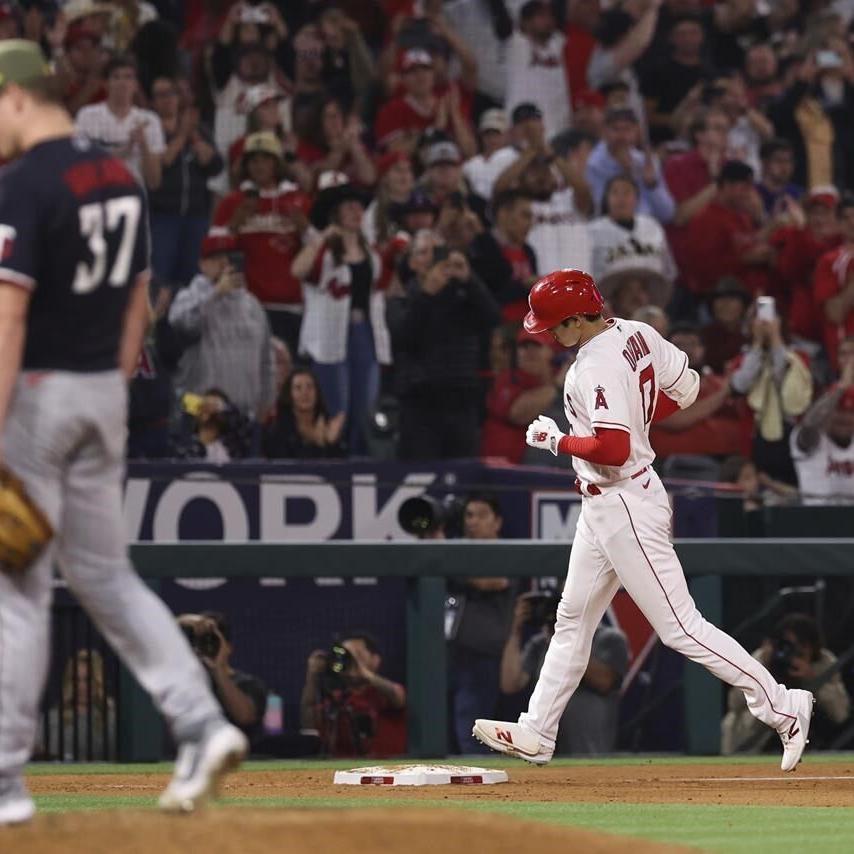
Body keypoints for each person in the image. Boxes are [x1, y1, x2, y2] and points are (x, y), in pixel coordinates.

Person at [0, 41, 245, 826]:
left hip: (35, 400)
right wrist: (106, 385)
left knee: (17, 589)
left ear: (14, 98)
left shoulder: (22, 184)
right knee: (107, 577)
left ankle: (4, 781)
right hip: (104, 395)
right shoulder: (121, 175)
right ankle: (202, 724)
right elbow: (139, 301)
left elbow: (6, 315)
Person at [472, 268, 814, 772]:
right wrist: (635, 411)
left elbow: (614, 447)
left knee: (680, 627)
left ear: (575, 319)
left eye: (552, 326)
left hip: (624, 498)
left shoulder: (592, 367)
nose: (547, 336)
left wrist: (556, 442)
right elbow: (690, 387)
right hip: (610, 500)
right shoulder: (637, 331)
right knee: (572, 619)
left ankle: (783, 704)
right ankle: (538, 731)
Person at [292, 172, 391, 456]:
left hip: (365, 335)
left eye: (359, 207)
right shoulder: (324, 250)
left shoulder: (371, 254)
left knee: (365, 407)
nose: (356, 212)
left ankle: (360, 459)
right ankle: (332, 460)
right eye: (349, 207)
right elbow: (297, 271)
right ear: (336, 213)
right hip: (329, 336)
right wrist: (322, 237)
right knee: (336, 408)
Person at [386, 236, 500, 460]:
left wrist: (470, 279)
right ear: (411, 263)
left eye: (437, 251)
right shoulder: (401, 299)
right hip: (420, 405)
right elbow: (404, 337)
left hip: (461, 401)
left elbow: (493, 318)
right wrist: (427, 294)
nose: (433, 258)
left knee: (462, 477)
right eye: (423, 252)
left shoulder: (464, 296)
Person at [212, 131, 312, 357]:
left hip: (292, 304)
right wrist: (234, 225)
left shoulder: (297, 199)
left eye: (266, 159)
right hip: (250, 305)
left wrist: (305, 227)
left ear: (277, 163)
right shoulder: (234, 201)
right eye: (254, 161)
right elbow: (211, 250)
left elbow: (319, 249)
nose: (259, 166)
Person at [501, 596, 629, 755]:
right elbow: (510, 683)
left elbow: (605, 682)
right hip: (548, 747)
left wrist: (564, 642)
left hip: (589, 745)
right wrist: (516, 631)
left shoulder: (608, 638)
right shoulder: (540, 643)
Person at [169, 229, 274, 419]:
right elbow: (180, 324)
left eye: (228, 257)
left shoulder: (252, 304)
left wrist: (267, 402)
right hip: (199, 408)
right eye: (216, 258)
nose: (224, 263)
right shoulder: (189, 296)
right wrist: (215, 293)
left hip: (244, 413)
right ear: (202, 264)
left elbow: (266, 359)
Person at [722, 614, 850, 754]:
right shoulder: (764, 658)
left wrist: (813, 679)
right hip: (760, 736)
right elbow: (734, 703)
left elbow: (840, 713)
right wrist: (764, 671)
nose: (793, 653)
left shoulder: (823, 662)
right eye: (787, 646)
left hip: (811, 733)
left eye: (801, 647)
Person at [448, 493, 517, 754]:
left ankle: (480, 789)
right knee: (453, 731)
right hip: (452, 653)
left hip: (485, 656)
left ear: (497, 522)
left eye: (481, 515)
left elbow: (493, 581)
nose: (472, 522)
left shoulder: (507, 552)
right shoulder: (458, 552)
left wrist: (444, 562)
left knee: (473, 731)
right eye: (468, 515)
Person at [148, 75, 223, 288]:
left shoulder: (198, 130)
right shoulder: (152, 131)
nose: (167, 99)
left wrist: (205, 151)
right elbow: (160, 166)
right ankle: (161, 321)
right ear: (152, 102)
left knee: (194, 278)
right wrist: (182, 135)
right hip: (162, 216)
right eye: (160, 95)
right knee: (161, 276)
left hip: (196, 215)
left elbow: (216, 167)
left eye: (171, 93)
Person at [300, 632, 407, 758]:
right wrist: (312, 676)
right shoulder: (338, 698)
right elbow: (309, 723)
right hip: (344, 771)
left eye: (358, 655)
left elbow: (398, 698)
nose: (351, 660)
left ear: (375, 660)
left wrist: (364, 673)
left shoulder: (382, 693)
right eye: (347, 656)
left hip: (386, 769)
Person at [74, 53, 164, 190]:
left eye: (128, 77)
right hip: (96, 196)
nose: (122, 83)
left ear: (135, 85)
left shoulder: (150, 120)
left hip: (134, 198)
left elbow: (154, 182)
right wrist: (125, 149)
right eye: (116, 77)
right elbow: (79, 166)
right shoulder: (87, 115)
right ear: (106, 84)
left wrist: (143, 144)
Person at [178, 612, 268, 746]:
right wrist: (186, 621)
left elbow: (244, 717)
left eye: (214, 642)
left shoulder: (250, 684)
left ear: (229, 647)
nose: (208, 647)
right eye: (202, 643)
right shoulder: (187, 685)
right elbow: (155, 636)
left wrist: (218, 668)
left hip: (241, 760)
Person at [790, 339, 854, 505]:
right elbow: (811, 422)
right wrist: (840, 388)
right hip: (818, 524)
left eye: (850, 412)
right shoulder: (811, 438)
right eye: (839, 411)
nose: (845, 418)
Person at [263, 367, 346, 459]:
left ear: (317, 392)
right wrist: (317, 443)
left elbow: (341, 469)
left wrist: (330, 443)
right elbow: (287, 469)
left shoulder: (329, 426)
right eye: (298, 388)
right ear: (289, 394)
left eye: (310, 387)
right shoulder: (278, 431)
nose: (305, 393)